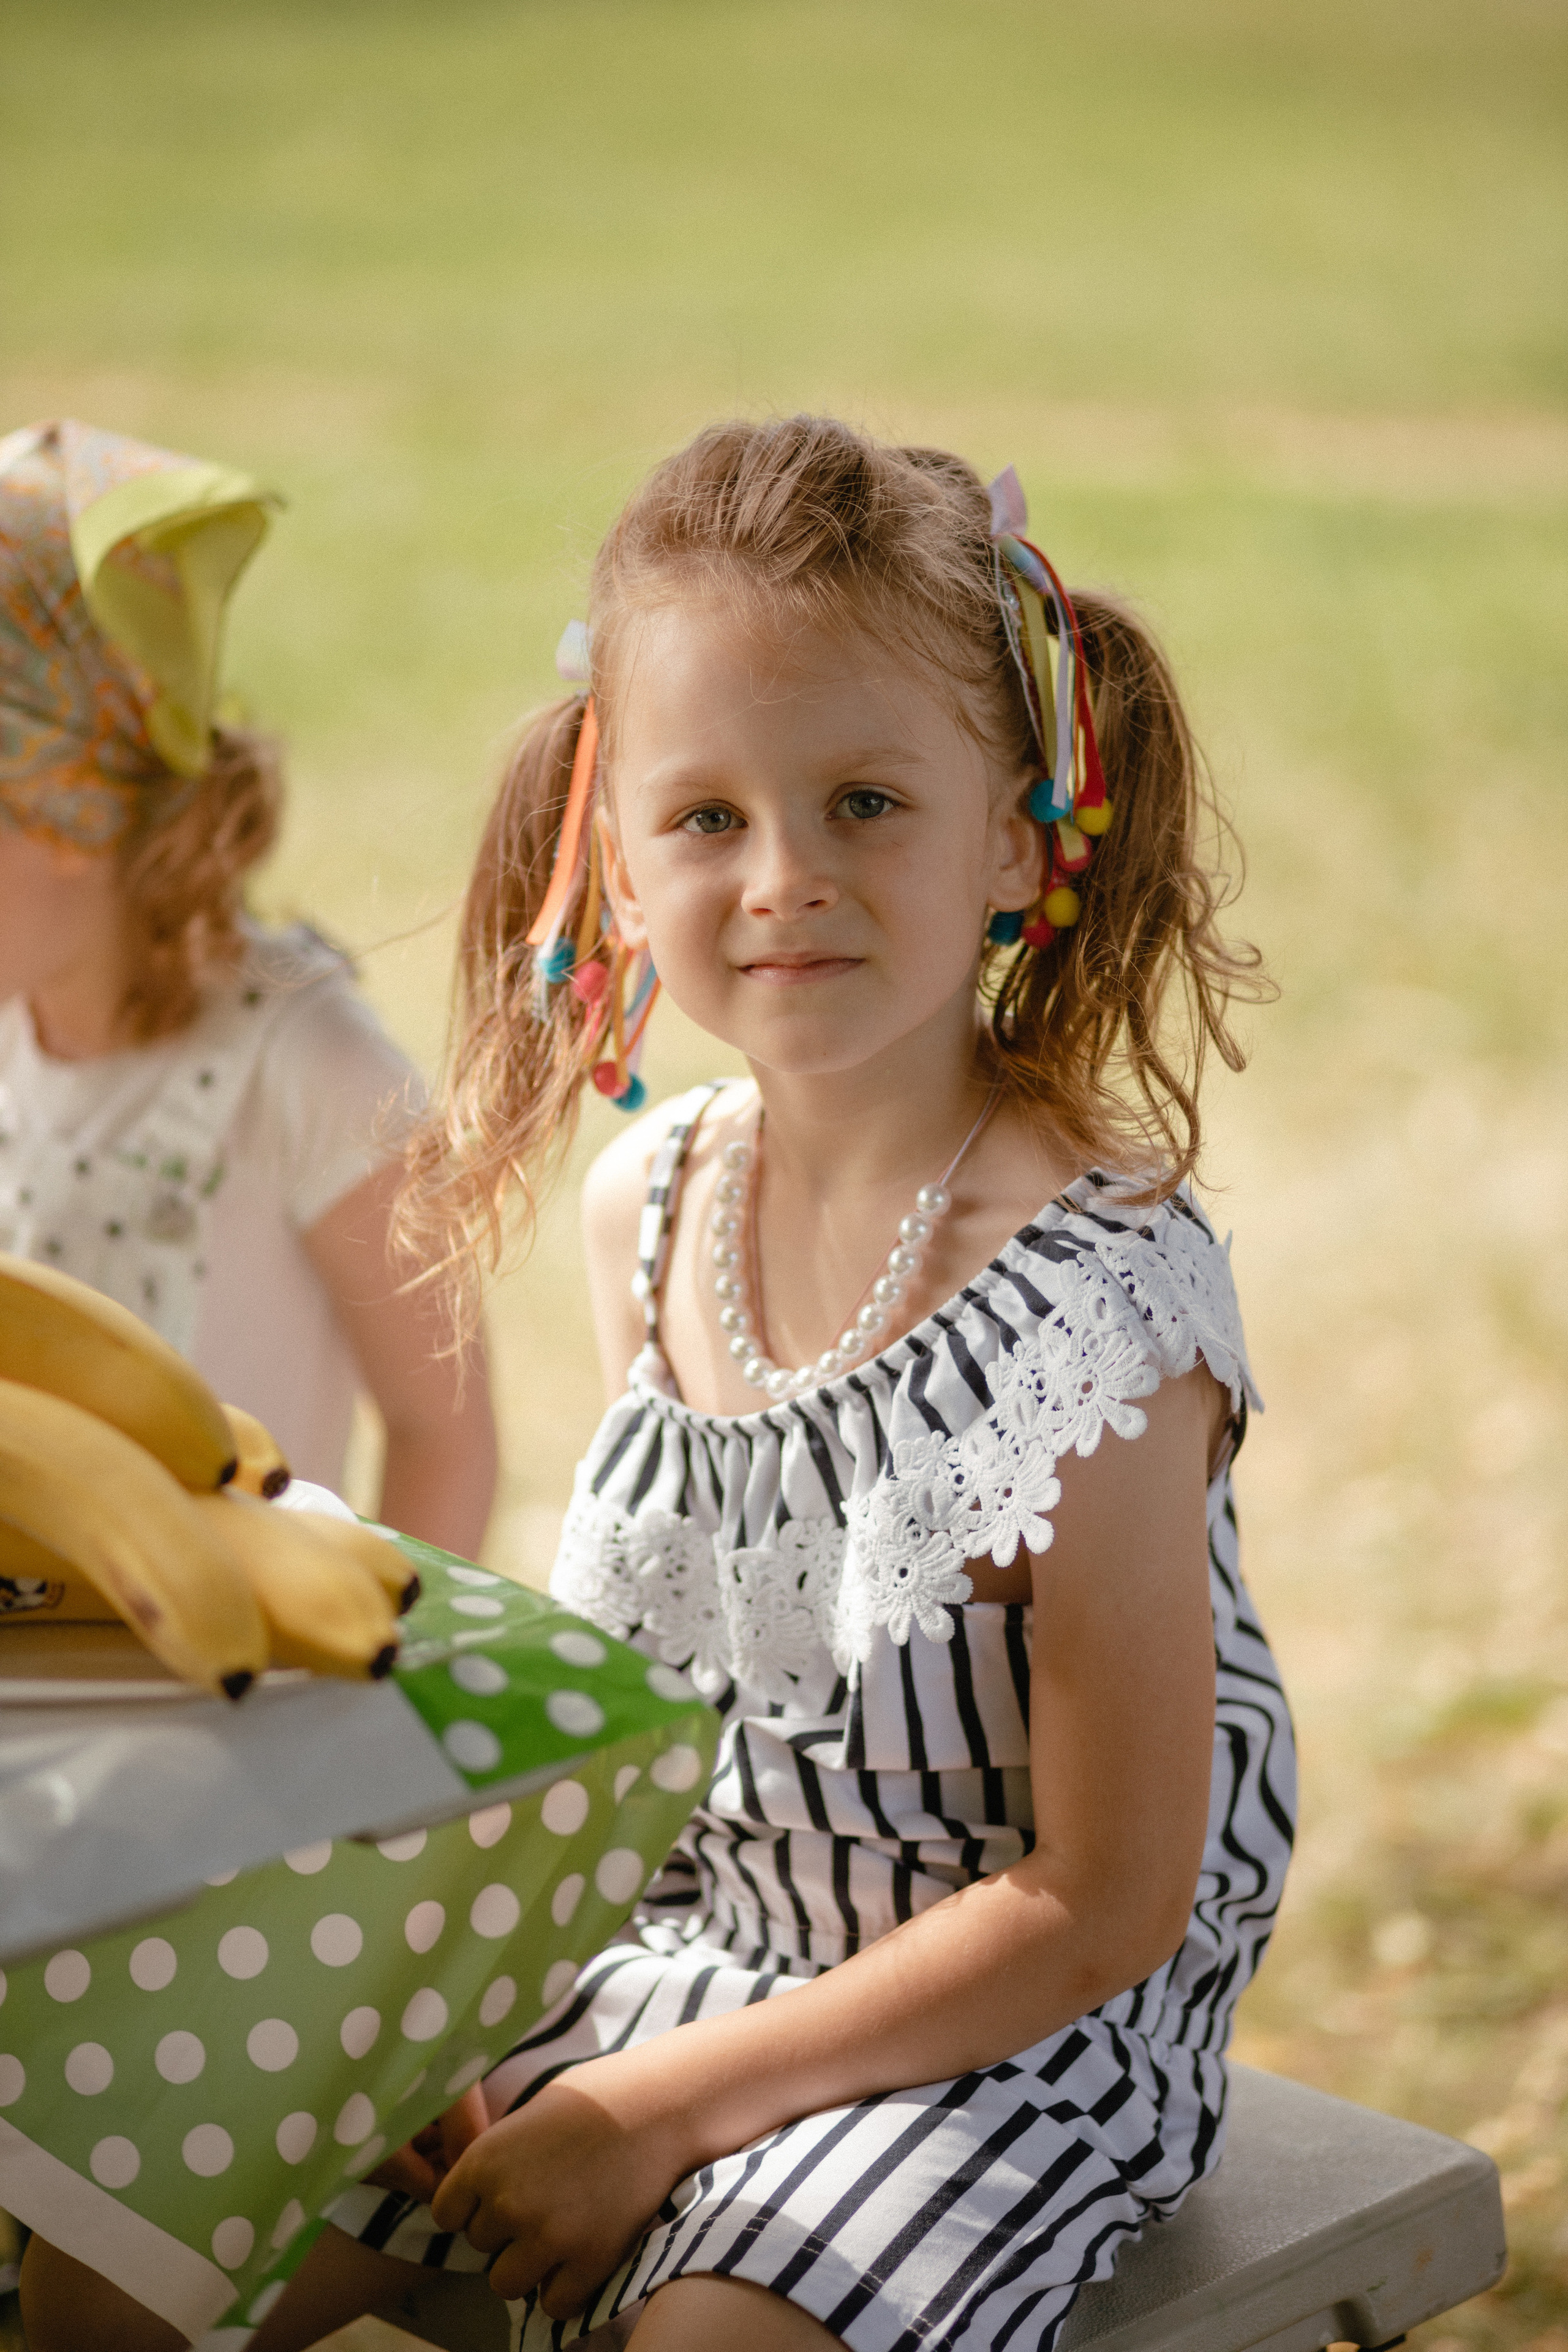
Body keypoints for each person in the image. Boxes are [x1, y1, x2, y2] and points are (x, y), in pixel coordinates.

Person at [36, 415, 1295, 2352]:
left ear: (1021, 833)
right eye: (707, 817)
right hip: (684, 1957)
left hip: (1001, 2035)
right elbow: (669, 1726)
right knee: (142, 2224)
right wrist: (469, 1980)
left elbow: (1105, 1900)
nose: (784, 876)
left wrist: (641, 2111)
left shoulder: (1100, 1318)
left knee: (710, 2336)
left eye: (866, 801)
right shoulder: (656, 1204)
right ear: (610, 866)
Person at [0, 418, 497, 1548]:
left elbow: (445, 1433)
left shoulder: (306, 1063)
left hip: (241, 1682)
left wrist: (372, 1704)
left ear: (71, 811)